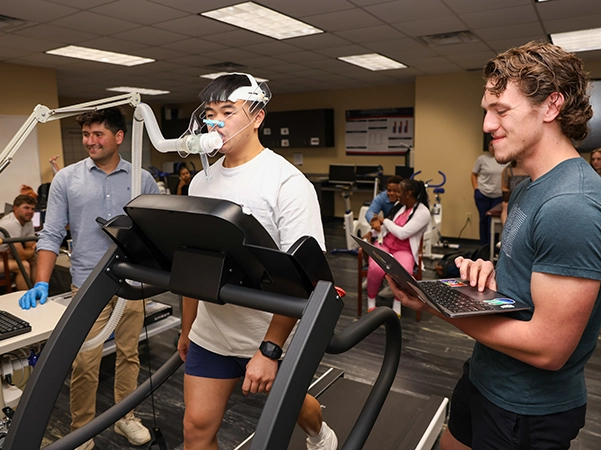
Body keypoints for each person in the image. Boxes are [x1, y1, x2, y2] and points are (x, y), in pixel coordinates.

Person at [389, 41, 601, 450]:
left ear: (551, 106)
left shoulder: (571, 204)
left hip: (526, 408)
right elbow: (525, 284)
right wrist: (489, 276)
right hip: (487, 374)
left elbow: (547, 349)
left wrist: (436, 305)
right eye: (487, 111)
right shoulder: (528, 187)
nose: (487, 125)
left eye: (501, 110)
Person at [177, 73, 337, 450]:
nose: (216, 122)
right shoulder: (199, 183)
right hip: (212, 331)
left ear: (258, 118)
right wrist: (188, 327)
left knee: (294, 408)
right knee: (196, 431)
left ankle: (321, 435)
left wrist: (270, 349)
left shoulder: (287, 183)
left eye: (228, 112)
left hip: (268, 331)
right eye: (211, 113)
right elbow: (194, 263)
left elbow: (306, 278)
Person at [18, 107, 160, 450]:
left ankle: (127, 416)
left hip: (133, 285)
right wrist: (40, 281)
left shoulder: (142, 178)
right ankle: (82, 431)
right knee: (85, 360)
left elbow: (158, 231)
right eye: (86, 135)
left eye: (98, 134)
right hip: (88, 284)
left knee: (130, 355)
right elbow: (50, 234)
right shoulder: (67, 179)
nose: (90, 141)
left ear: (119, 137)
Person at [366, 179, 430, 317]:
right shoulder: (400, 206)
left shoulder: (423, 213)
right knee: (375, 268)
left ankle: (397, 303)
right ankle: (371, 302)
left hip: (404, 249)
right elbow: (386, 229)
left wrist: (384, 220)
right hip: (386, 244)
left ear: (409, 193)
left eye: (399, 191)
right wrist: (372, 232)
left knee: (403, 271)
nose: (396, 195)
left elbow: (402, 233)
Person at [471, 141, 506, 245]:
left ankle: (493, 246)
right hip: (483, 194)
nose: (493, 147)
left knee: (493, 224)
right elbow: (473, 174)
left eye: (494, 144)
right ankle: (484, 246)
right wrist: (476, 189)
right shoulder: (482, 159)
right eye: (490, 145)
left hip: (498, 196)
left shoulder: (504, 159)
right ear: (488, 146)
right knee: (483, 220)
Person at [0, 194, 37, 290]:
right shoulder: (10, 224)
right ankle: (25, 298)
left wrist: (30, 250)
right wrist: (31, 250)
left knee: (37, 258)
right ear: (16, 209)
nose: (30, 212)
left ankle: (37, 291)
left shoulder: (28, 221)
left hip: (7, 257)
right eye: (26, 208)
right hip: (1, 258)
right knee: (23, 265)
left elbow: (31, 245)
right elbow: (21, 255)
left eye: (32, 209)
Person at [500, 160, 529, 225]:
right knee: (505, 205)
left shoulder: (530, 169)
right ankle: (507, 230)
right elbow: (504, 187)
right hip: (512, 198)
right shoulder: (507, 170)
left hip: (527, 197)